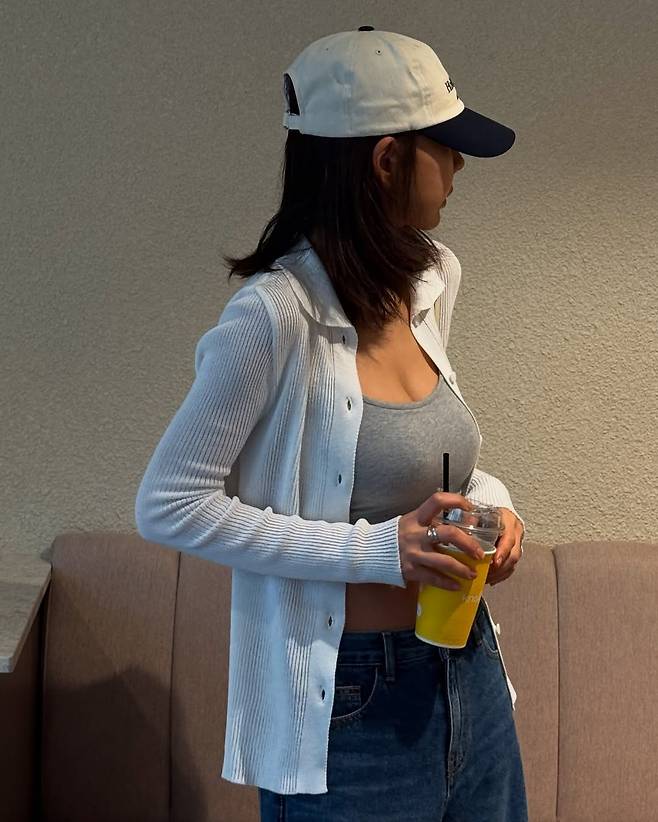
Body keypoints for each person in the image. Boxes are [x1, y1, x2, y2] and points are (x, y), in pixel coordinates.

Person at [135, 27, 529, 822]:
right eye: (444, 146)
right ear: (385, 160)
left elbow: (425, 463)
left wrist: (494, 505)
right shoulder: (272, 318)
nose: (458, 167)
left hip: (468, 674)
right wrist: (378, 551)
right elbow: (169, 505)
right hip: (347, 707)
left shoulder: (430, 282)